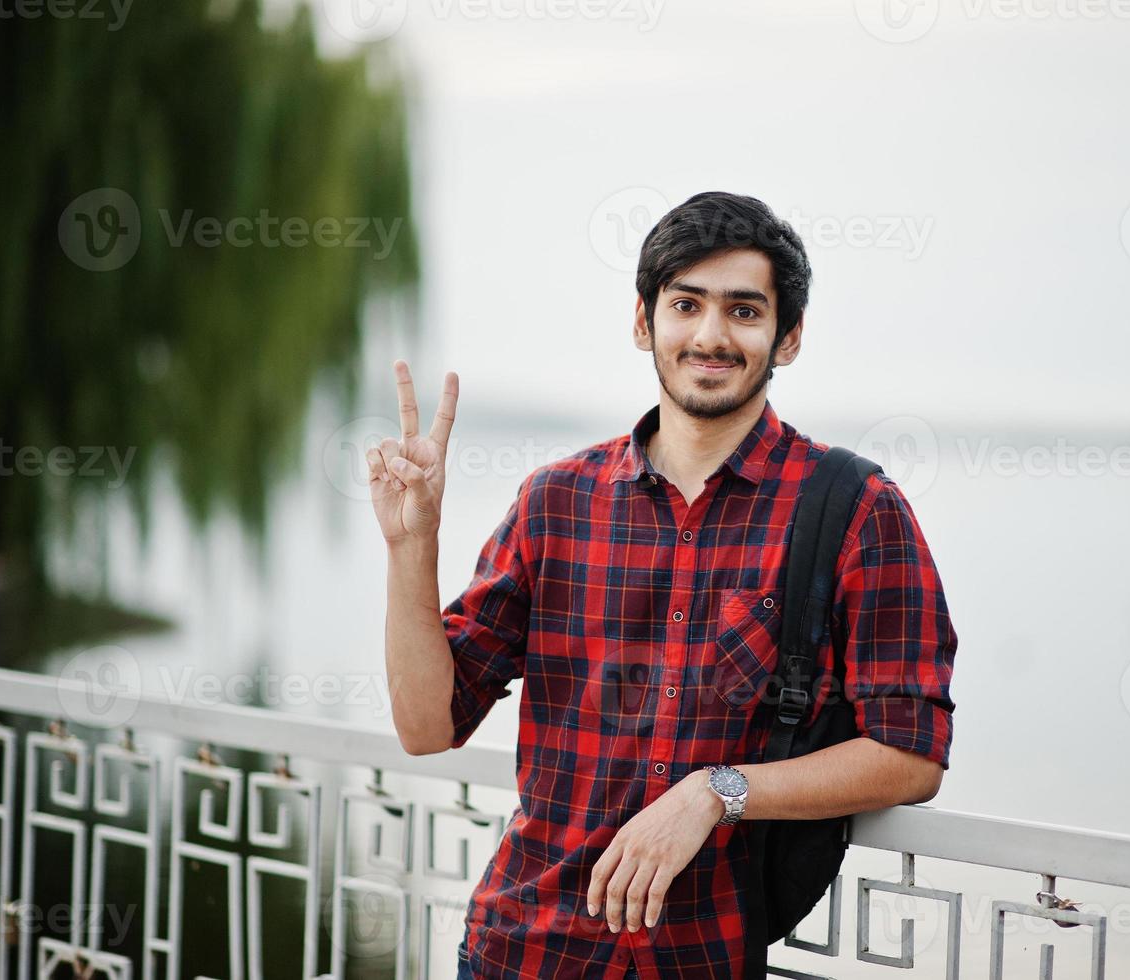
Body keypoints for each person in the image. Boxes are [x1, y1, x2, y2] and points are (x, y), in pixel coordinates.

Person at [369, 191, 958, 978]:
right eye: (686, 304)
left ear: (787, 338)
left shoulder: (853, 511)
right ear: (644, 323)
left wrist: (716, 792)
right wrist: (413, 546)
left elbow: (908, 754)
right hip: (520, 950)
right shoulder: (557, 500)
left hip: (696, 957)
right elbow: (425, 725)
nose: (711, 336)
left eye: (744, 311)